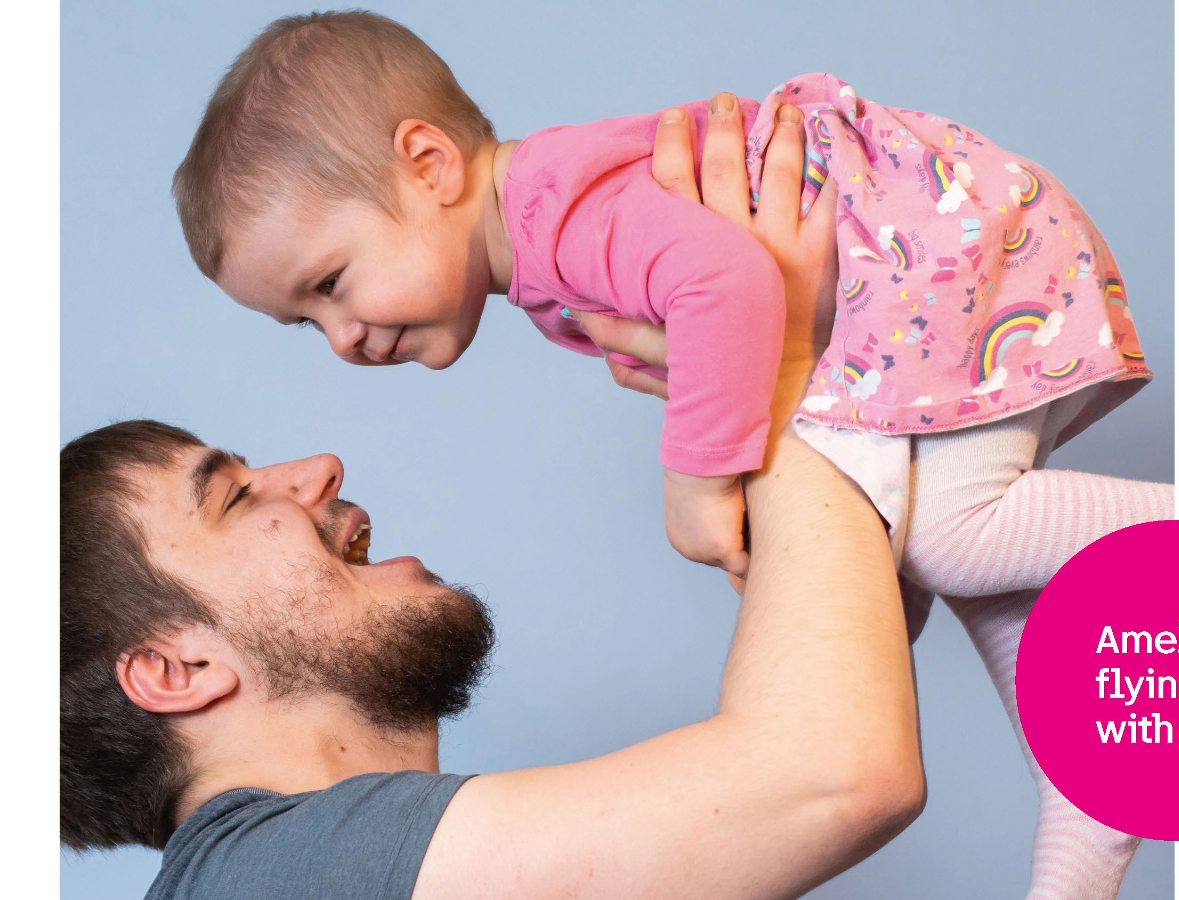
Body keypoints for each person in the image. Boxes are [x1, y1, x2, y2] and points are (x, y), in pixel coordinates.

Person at [170, 12, 1170, 896]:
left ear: (429, 165)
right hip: (904, 298)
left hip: (936, 251)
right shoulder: (540, 242)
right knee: (995, 618)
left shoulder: (552, 207)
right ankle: (1085, 841)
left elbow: (731, 279)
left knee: (952, 538)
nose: (342, 336)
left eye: (333, 282)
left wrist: (693, 486)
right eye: (307, 323)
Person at [60, 97, 925, 899]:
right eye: (235, 499)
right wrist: (790, 368)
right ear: (177, 671)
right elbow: (834, 770)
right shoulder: (271, 878)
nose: (318, 467)